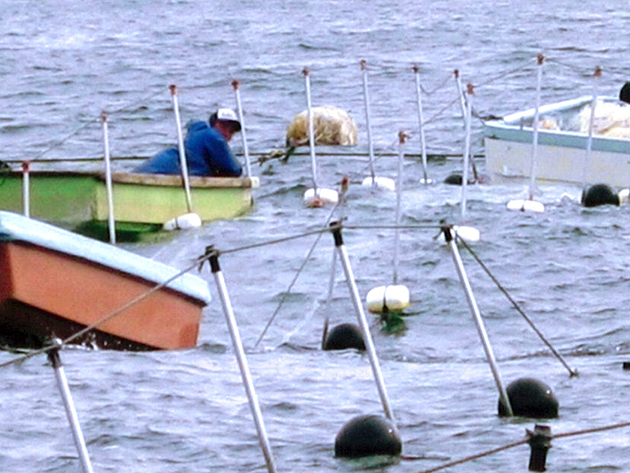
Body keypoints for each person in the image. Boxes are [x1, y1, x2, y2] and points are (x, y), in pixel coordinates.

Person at [134, 108, 243, 177]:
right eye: (224, 127)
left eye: (231, 131)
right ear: (214, 124)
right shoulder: (213, 136)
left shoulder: (196, 134)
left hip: (153, 167)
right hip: (168, 170)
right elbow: (234, 169)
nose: (227, 134)